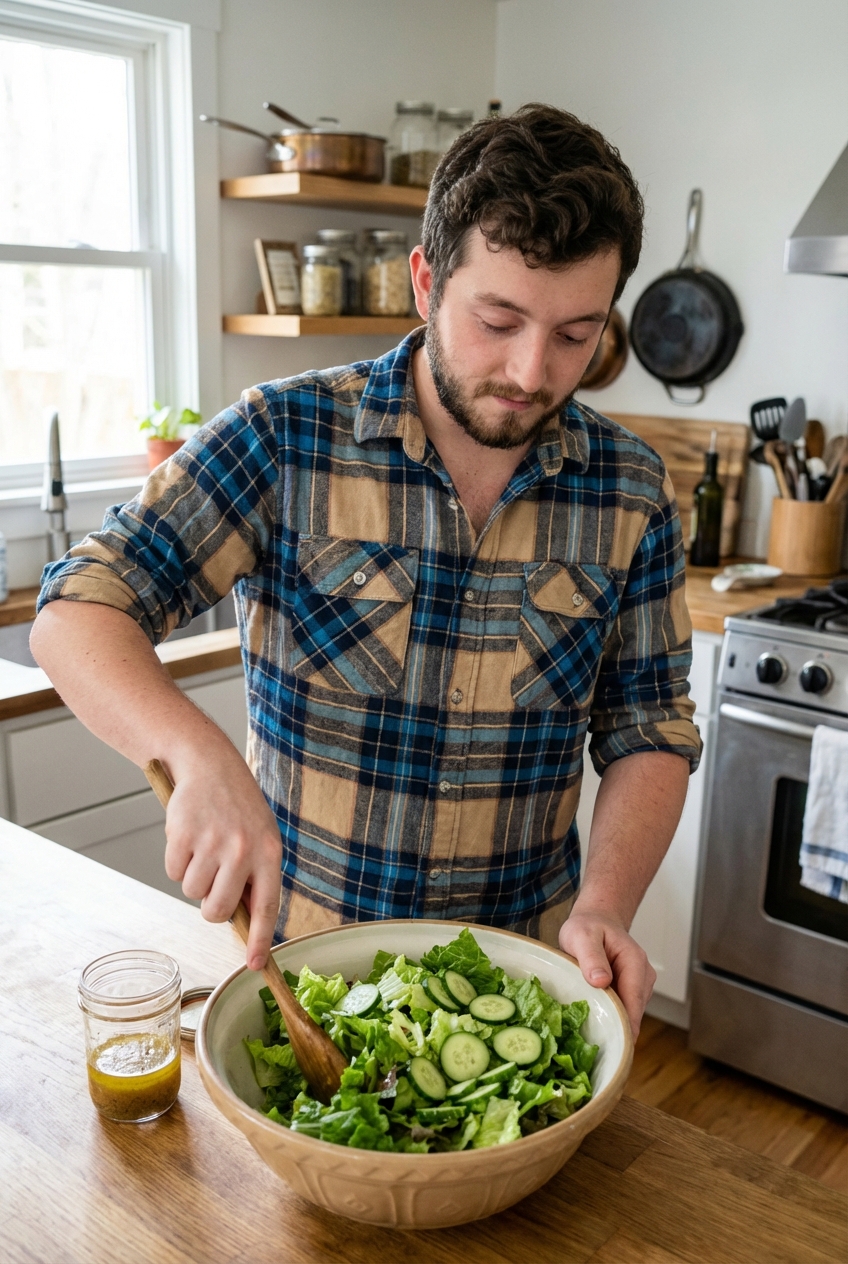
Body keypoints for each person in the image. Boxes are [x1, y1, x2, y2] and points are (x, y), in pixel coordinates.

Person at [31, 104, 701, 1038]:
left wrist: (607, 906)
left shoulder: (631, 490)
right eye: (498, 320)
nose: (530, 369)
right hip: (307, 984)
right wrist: (197, 753)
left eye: (577, 334)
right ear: (426, 281)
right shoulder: (285, 437)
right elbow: (76, 608)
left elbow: (651, 730)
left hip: (526, 984)